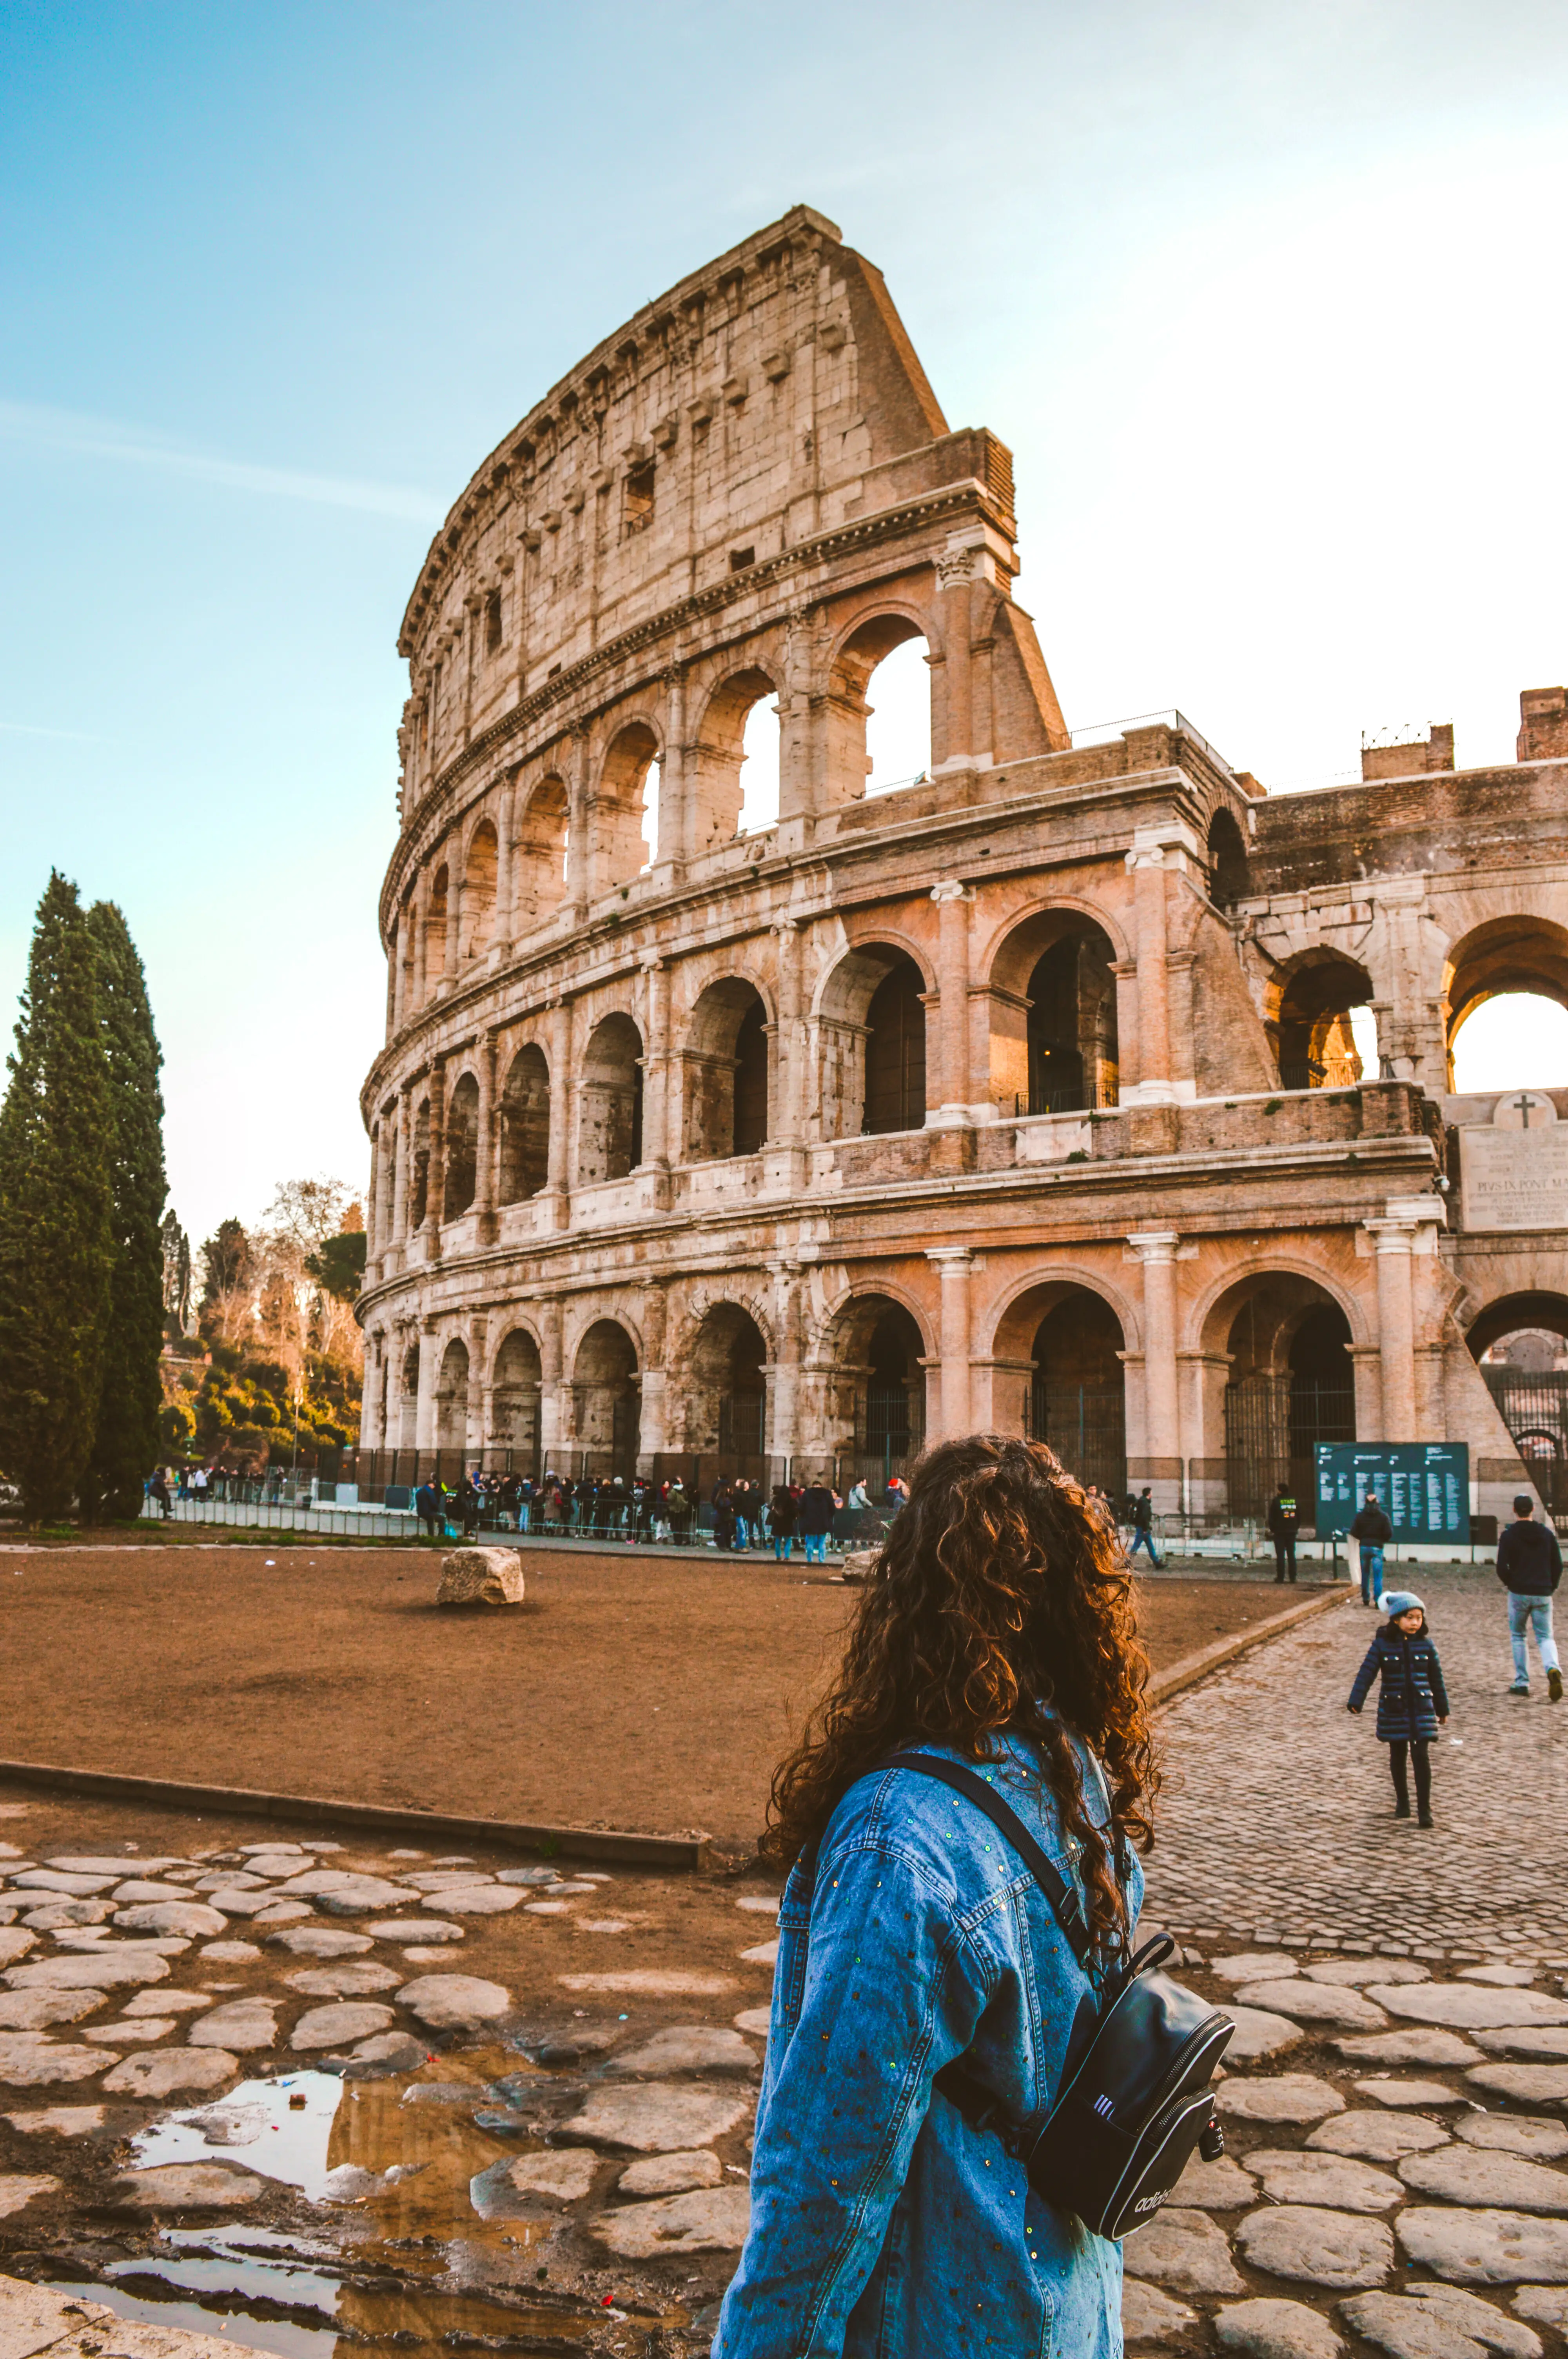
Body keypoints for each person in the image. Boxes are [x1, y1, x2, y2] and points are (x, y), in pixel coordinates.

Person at [716, 1434, 1156, 2358]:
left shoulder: (899, 1833)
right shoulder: (1073, 1772)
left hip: (940, 2308)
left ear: (906, 1594)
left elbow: (830, 2171)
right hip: (1067, 2295)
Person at [1347, 1590, 1450, 1827]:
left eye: (1419, 1618)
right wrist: (1356, 1701)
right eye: (1410, 1618)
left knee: (1421, 1758)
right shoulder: (1382, 1645)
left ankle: (1425, 1810)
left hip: (1422, 1709)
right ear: (1396, 1619)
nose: (1415, 1623)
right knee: (1398, 1756)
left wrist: (1442, 1710)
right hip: (1395, 1708)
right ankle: (1403, 1802)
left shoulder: (1426, 1645)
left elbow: (1437, 1679)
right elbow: (1367, 1673)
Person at [1496, 1492, 1563, 1701]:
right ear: (1533, 1509)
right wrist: (1550, 1586)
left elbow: (1501, 1567)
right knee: (1546, 1636)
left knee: (1519, 1636)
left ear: (1514, 1510)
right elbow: (1558, 1565)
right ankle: (1552, 1667)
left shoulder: (1509, 1535)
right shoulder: (1546, 1534)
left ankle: (1522, 1682)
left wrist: (1511, 1582)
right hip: (1543, 1592)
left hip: (1519, 1592)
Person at [1350, 1488, 1392, 1608]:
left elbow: (1354, 1532)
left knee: (1365, 1574)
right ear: (1377, 1503)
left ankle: (1366, 1598)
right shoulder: (1383, 1517)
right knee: (1378, 1575)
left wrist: (1363, 1539)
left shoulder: (1360, 1516)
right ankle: (1378, 1600)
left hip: (1364, 1547)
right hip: (1377, 1547)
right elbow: (1389, 1533)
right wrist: (1382, 1540)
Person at [796, 1478, 839, 1565]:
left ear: (812, 1486)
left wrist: (804, 1516)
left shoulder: (807, 1494)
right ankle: (822, 1560)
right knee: (822, 1541)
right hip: (823, 1521)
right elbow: (833, 1509)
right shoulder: (827, 1494)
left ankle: (810, 1560)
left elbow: (801, 1508)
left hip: (810, 1521)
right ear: (821, 1486)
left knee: (810, 1541)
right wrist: (828, 1517)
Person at [1267, 1484, 1300, 1584]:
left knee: (1280, 1556)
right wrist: (1295, 1527)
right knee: (1291, 1555)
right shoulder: (1294, 1500)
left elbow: (1271, 1517)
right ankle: (1293, 1578)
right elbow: (1299, 1516)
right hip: (1292, 1531)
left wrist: (1273, 1529)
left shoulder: (1277, 1501)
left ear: (1280, 1491)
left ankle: (1280, 1577)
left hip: (1280, 1531)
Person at [1129, 1485, 1161, 1568]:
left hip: (1142, 1527)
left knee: (1150, 1546)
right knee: (1137, 1546)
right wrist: (1145, 1528)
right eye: (1151, 1493)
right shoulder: (1146, 1504)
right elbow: (1145, 1517)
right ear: (1149, 1494)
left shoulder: (1141, 1502)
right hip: (1143, 1528)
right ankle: (1127, 1561)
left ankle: (1157, 1562)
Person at [768, 1481, 797, 1562]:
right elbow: (794, 1511)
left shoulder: (776, 1499)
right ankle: (787, 1556)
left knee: (778, 1540)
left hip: (778, 1522)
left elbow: (772, 1508)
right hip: (788, 1522)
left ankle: (778, 1556)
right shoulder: (791, 1500)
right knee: (788, 1540)